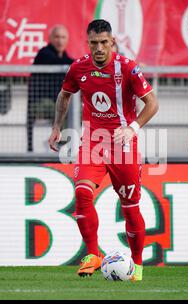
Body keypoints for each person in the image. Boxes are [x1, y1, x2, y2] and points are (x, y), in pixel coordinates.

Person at [48, 19, 159, 281]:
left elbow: (152, 104)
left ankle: (138, 264)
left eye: (104, 43)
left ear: (113, 42)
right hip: (93, 143)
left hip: (123, 145)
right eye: (94, 43)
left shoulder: (128, 69)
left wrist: (132, 128)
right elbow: (65, 94)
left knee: (130, 208)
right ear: (88, 43)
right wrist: (56, 127)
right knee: (82, 193)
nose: (99, 48)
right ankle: (92, 254)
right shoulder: (78, 67)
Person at [27, 25, 73, 151]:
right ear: (50, 38)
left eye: (63, 37)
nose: (60, 40)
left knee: (78, 110)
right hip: (40, 103)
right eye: (57, 37)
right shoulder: (44, 54)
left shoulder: (64, 57)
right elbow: (63, 63)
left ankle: (65, 143)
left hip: (57, 101)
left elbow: (70, 63)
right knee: (64, 109)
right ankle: (57, 143)